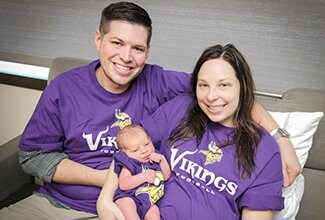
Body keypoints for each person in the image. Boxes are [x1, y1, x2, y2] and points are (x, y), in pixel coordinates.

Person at [0, 1, 299, 219]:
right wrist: (107, 180)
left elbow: (222, 89)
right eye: (116, 42)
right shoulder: (64, 88)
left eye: (138, 48)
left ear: (147, 52)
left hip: (133, 206)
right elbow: (33, 156)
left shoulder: (161, 83)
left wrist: (280, 137)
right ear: (98, 39)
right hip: (61, 203)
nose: (126, 57)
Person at [98, 44, 285, 220]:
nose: (211, 97)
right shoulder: (180, 108)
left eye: (224, 85)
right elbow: (127, 150)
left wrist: (282, 137)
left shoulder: (264, 149)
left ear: (242, 87)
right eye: (203, 85)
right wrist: (105, 199)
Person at [113, 124, 170, 220]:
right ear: (125, 153)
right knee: (128, 206)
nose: (144, 150)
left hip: (148, 202)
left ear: (150, 140)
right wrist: (144, 177)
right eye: (135, 150)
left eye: (146, 144)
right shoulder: (130, 163)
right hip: (129, 197)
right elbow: (123, 184)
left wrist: (162, 160)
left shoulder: (155, 158)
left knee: (154, 213)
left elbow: (166, 176)